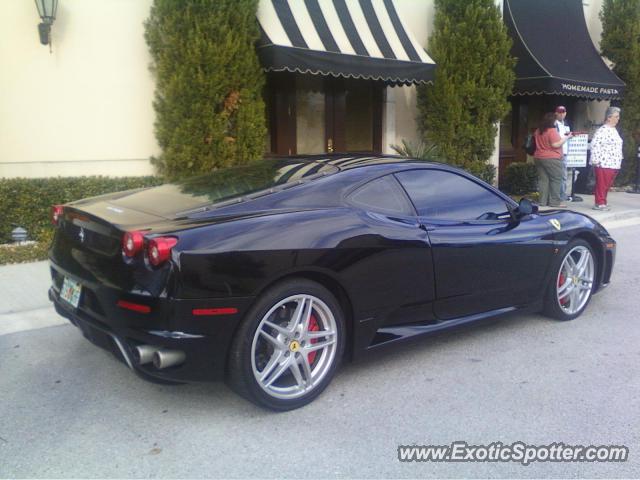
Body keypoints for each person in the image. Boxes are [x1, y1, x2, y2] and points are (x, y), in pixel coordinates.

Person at [534, 112, 573, 207]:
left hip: (539, 157)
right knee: (556, 180)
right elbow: (555, 144)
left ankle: (542, 202)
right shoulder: (552, 130)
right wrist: (567, 137)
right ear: (552, 121)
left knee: (543, 180)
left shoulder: (538, 130)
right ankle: (554, 202)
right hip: (552, 158)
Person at [590, 106, 623, 210]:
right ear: (609, 118)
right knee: (602, 184)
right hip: (604, 162)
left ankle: (603, 201)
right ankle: (599, 203)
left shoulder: (613, 130)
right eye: (616, 117)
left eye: (618, 117)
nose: (618, 119)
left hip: (613, 162)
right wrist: (595, 159)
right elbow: (595, 145)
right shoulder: (602, 130)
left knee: (607, 184)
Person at [554, 106, 571, 200]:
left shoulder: (566, 123)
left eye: (563, 112)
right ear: (556, 113)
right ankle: (558, 196)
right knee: (558, 176)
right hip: (557, 153)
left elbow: (567, 136)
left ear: (565, 113)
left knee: (563, 176)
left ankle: (562, 195)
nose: (561, 114)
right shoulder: (554, 124)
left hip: (565, 153)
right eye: (559, 112)